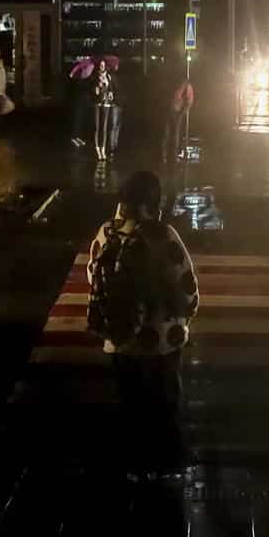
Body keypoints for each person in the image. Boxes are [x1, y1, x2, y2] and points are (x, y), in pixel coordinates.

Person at [86, 170, 199, 474]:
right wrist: (184, 316)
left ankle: (133, 467)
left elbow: (93, 276)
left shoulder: (106, 232)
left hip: (120, 338)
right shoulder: (163, 235)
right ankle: (165, 469)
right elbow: (187, 284)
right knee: (164, 405)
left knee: (131, 405)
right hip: (162, 339)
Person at [163, 74, 195, 163]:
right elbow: (189, 100)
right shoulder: (180, 84)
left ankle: (171, 155)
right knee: (169, 134)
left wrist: (183, 111)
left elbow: (189, 100)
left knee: (172, 134)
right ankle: (167, 155)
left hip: (176, 112)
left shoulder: (185, 86)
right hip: (172, 110)